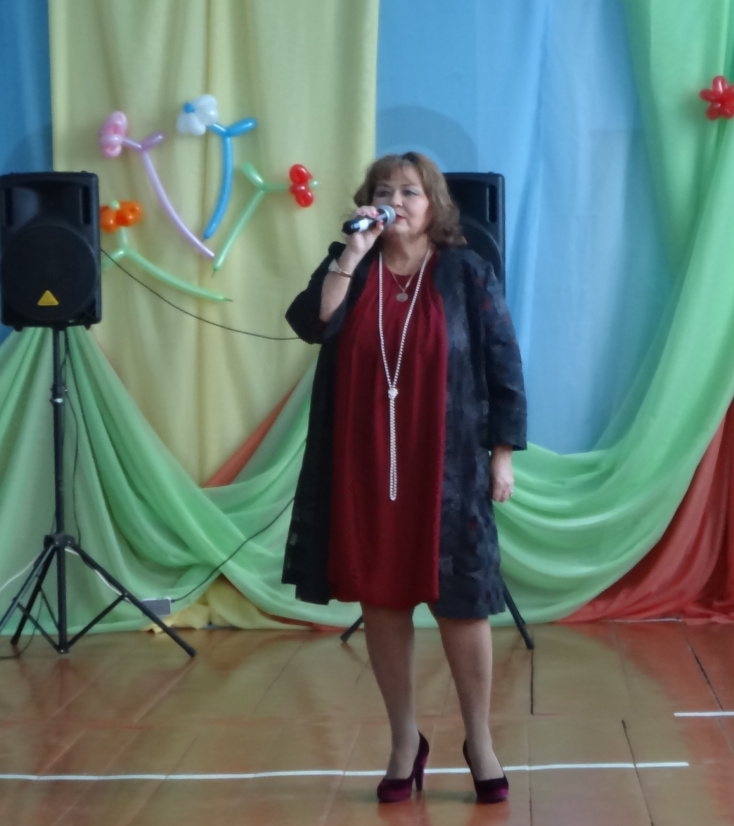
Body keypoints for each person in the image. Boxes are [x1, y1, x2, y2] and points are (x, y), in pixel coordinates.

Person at [282, 152, 527, 804]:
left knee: (463, 603)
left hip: (448, 465)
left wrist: (502, 455)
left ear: (434, 204)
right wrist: (351, 253)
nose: (396, 201)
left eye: (409, 191)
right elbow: (313, 323)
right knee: (382, 600)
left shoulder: (467, 272)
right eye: (383, 191)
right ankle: (403, 741)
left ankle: (480, 741)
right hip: (365, 465)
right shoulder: (353, 266)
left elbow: (503, 365)